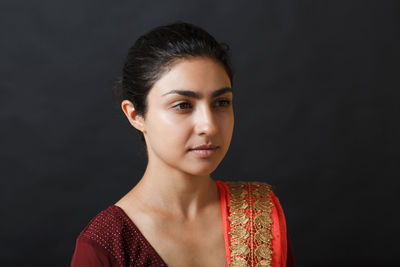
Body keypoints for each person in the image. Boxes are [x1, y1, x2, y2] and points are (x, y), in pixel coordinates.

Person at [71, 21, 295, 267]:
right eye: (183, 105)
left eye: (221, 102)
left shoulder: (259, 214)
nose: (208, 126)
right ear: (136, 116)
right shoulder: (107, 243)